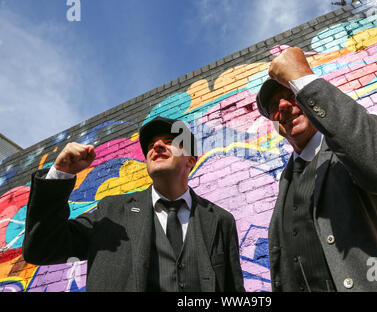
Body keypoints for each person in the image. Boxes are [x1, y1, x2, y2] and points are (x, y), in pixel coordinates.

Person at [256, 47, 377, 292]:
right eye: (274, 105)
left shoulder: (354, 146)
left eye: (292, 94)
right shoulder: (287, 183)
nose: (283, 106)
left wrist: (304, 79)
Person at [23, 116, 245, 292]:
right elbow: (41, 248)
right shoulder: (111, 212)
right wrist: (60, 174)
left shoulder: (220, 220)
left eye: (170, 142)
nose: (157, 145)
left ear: (190, 160)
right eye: (151, 144)